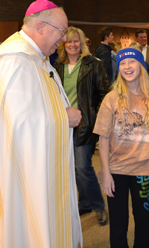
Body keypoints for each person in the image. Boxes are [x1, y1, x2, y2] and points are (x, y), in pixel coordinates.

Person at [0, 0, 82, 247]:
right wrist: (62, 117)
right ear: (41, 26)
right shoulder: (13, 61)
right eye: (62, 31)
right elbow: (18, 125)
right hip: (20, 170)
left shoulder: (36, 59)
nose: (65, 39)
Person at [94, 47, 149, 248]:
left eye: (131, 62)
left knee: (143, 222)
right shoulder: (111, 98)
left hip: (142, 171)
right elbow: (103, 139)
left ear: (141, 66)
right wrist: (105, 173)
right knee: (118, 224)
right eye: (122, 63)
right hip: (116, 171)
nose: (127, 66)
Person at [54, 27, 110, 225]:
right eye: (69, 41)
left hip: (85, 124)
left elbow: (104, 92)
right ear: (63, 44)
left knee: (82, 166)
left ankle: (98, 205)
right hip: (62, 124)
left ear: (83, 43)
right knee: (72, 168)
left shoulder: (93, 64)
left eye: (76, 41)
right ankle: (85, 202)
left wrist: (96, 117)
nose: (72, 45)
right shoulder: (56, 66)